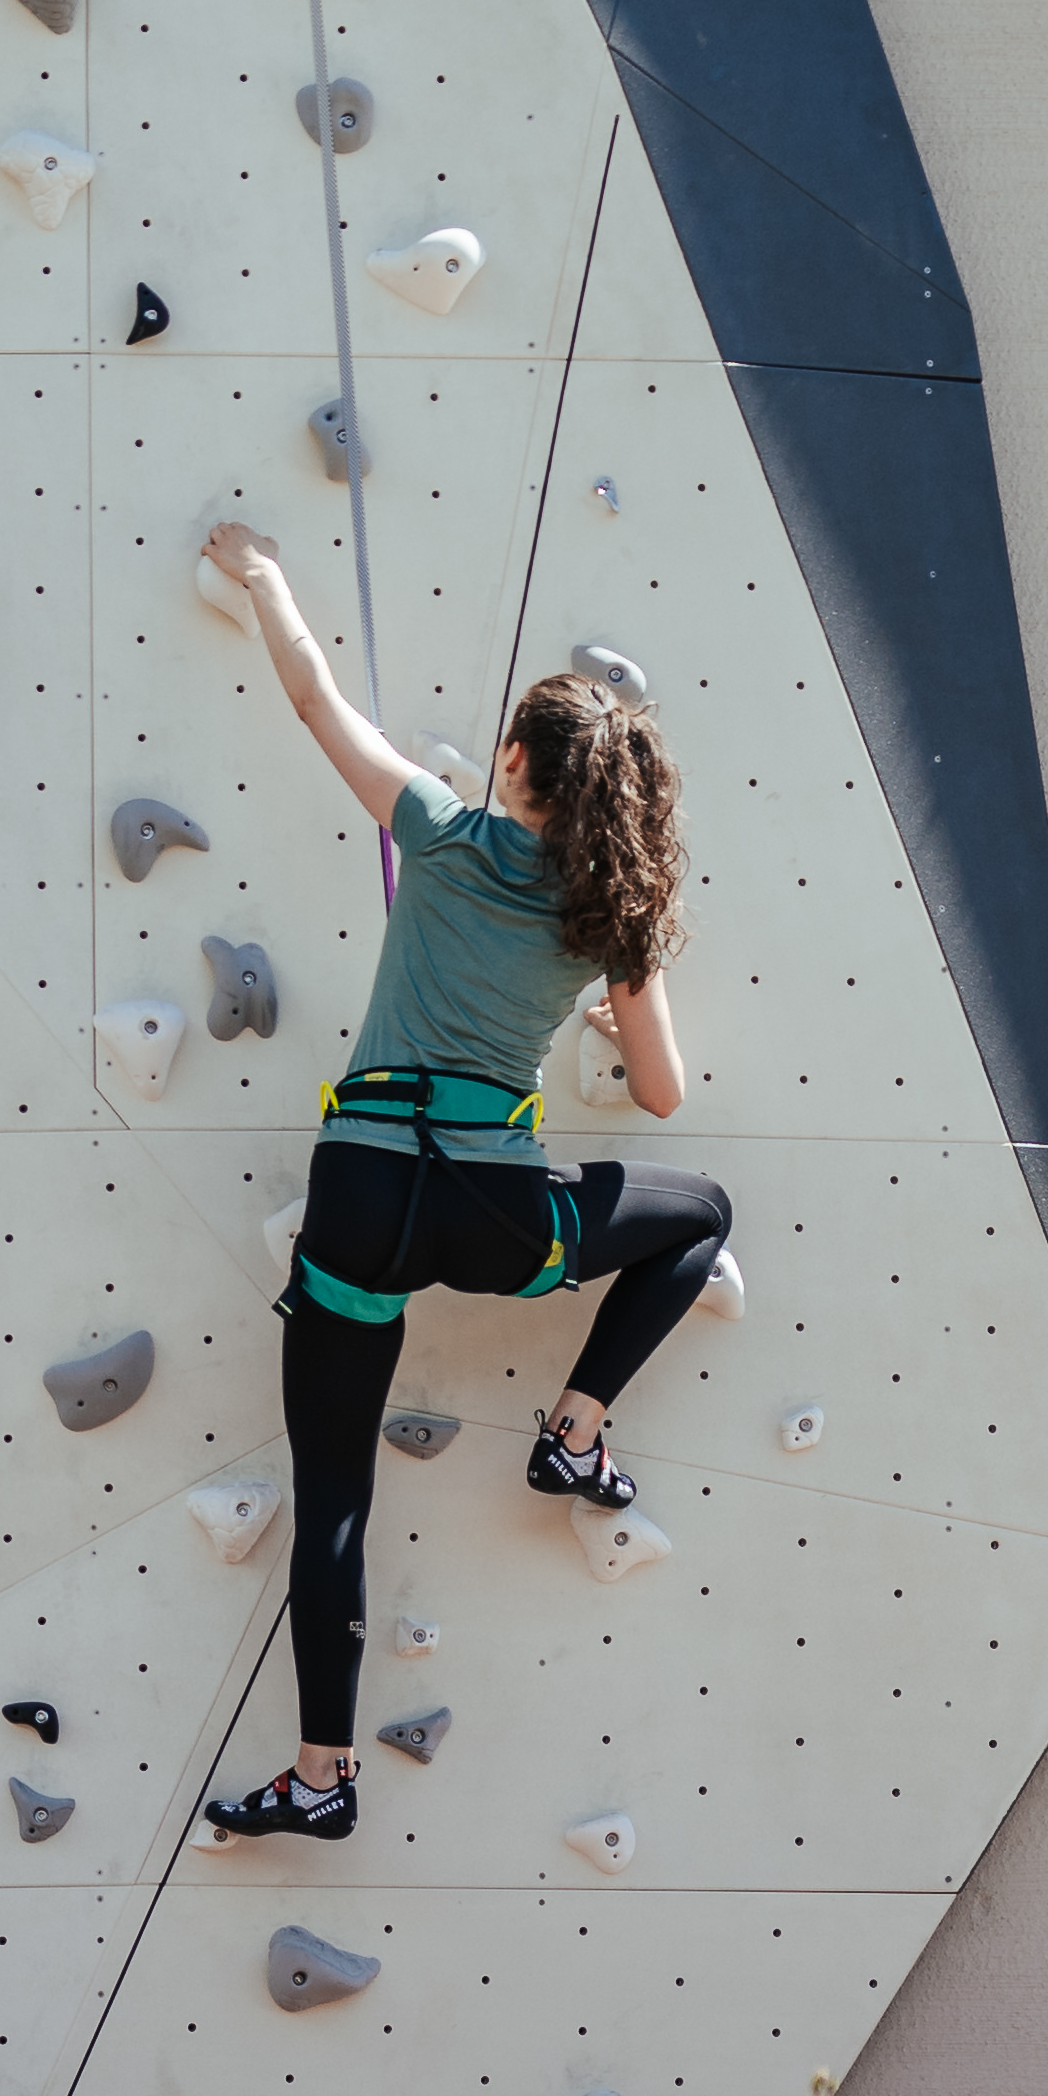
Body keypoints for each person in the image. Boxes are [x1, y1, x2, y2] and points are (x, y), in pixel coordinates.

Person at [182, 526, 725, 1848]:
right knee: (698, 1215)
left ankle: (321, 1776)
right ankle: (575, 1431)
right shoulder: (612, 919)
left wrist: (266, 579)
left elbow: (318, 698)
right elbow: (662, 1099)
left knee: (335, 1497)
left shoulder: (437, 832)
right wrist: (602, 1017)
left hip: (364, 1193)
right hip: (492, 1214)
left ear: (518, 763)